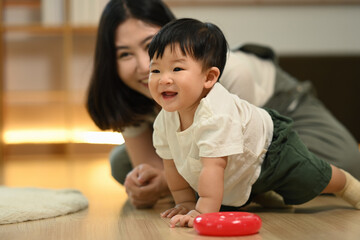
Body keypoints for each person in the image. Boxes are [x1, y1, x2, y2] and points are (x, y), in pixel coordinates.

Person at [86, 0, 360, 209]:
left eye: (150, 46)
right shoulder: (129, 89)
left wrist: (182, 193)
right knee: (122, 165)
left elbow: (238, 154)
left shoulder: (227, 75)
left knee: (345, 162)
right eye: (124, 54)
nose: (145, 67)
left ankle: (285, 182)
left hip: (271, 118)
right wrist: (152, 185)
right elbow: (153, 167)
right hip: (199, 133)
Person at [148, 18, 360, 228]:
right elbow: (171, 163)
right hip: (241, 165)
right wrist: (185, 202)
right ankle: (262, 191)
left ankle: (347, 185)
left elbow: (213, 168)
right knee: (226, 196)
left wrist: (202, 213)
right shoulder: (165, 120)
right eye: (155, 70)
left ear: (209, 78)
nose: (163, 79)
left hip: (271, 149)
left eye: (177, 69)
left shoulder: (216, 114)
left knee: (311, 176)